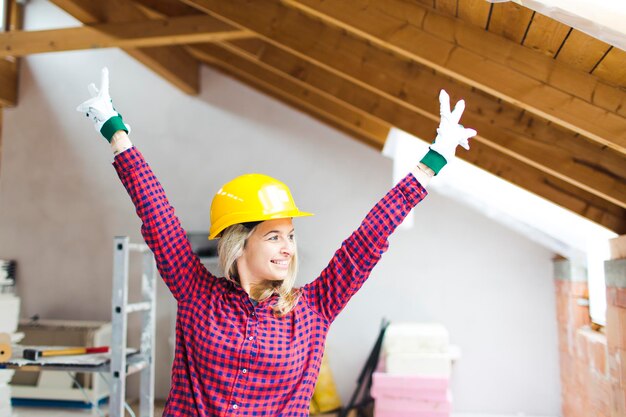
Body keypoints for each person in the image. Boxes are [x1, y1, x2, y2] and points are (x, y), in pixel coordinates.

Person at [77, 67, 476, 417]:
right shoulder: (196, 293)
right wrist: (115, 130)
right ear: (240, 243)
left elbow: (368, 239)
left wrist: (432, 162)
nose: (288, 248)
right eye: (273, 236)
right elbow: (156, 213)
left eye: (290, 236)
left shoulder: (315, 308)